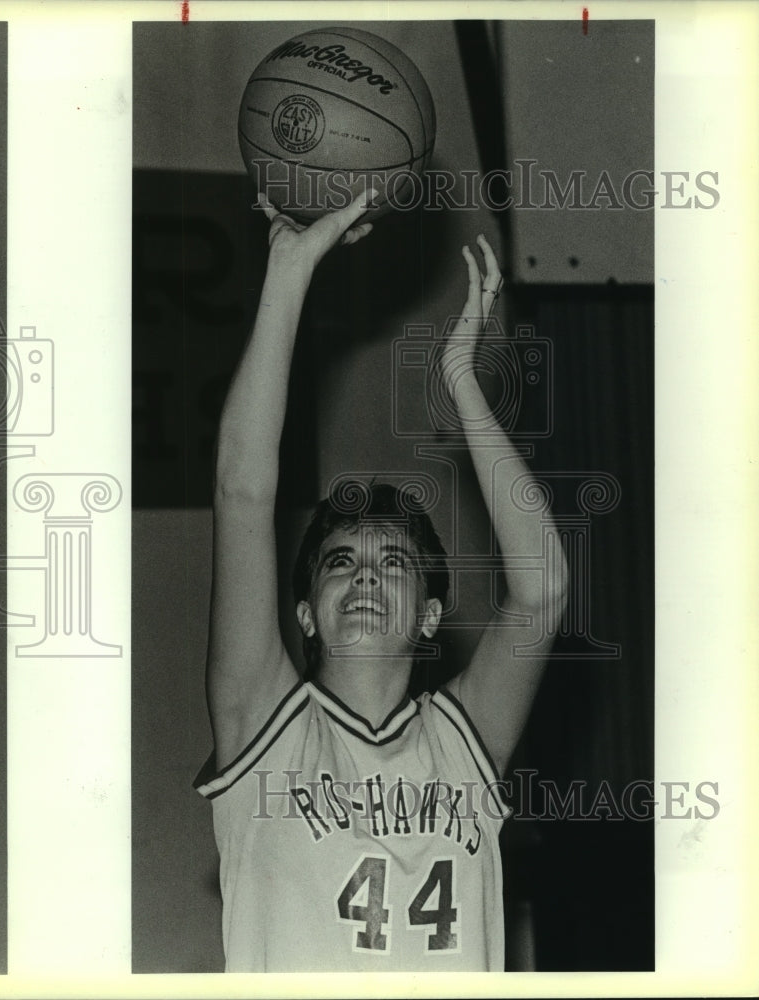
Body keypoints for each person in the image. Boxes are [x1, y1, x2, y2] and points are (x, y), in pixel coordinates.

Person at [194, 188, 568, 971]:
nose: (364, 574)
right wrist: (288, 276)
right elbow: (241, 491)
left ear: (430, 616)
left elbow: (541, 590)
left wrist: (461, 377)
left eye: (392, 562)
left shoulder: (461, 741)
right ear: (302, 613)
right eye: (340, 561)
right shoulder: (263, 729)